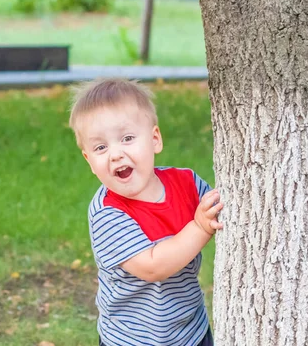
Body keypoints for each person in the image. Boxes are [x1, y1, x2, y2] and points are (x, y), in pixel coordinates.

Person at [68, 78, 224, 346]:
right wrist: (199, 228)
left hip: (191, 330)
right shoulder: (108, 213)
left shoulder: (187, 183)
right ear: (89, 161)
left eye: (127, 138)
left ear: (154, 139)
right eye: (101, 147)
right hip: (131, 339)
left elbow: (221, 210)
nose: (115, 154)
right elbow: (153, 267)